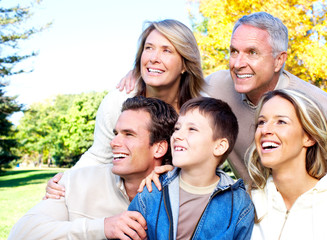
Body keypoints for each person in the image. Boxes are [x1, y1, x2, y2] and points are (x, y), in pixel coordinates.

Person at [118, 12, 327, 190]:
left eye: (252, 53)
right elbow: (178, 89)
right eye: (234, 51)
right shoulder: (217, 86)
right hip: (253, 208)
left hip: (308, 209)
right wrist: (144, 74)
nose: (238, 63)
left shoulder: (316, 102)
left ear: (279, 60)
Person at [44, 18, 205, 199]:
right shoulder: (119, 101)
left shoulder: (200, 109)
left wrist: (176, 174)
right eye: (149, 48)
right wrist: (63, 182)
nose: (153, 58)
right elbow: (99, 155)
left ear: (185, 63)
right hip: (126, 198)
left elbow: (209, 164)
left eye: (166, 50)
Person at [8, 96, 178, 240]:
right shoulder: (73, 182)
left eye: (129, 134)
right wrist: (102, 228)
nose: (114, 142)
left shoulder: (182, 192)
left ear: (159, 148)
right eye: (116, 134)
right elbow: (21, 233)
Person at [128, 97, 254, 239]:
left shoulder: (238, 204)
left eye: (192, 129)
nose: (177, 135)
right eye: (177, 128)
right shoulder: (152, 191)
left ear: (219, 147)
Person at [247, 89, 327, 239]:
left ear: (309, 137)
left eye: (281, 122)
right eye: (261, 122)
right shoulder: (247, 200)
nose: (265, 130)